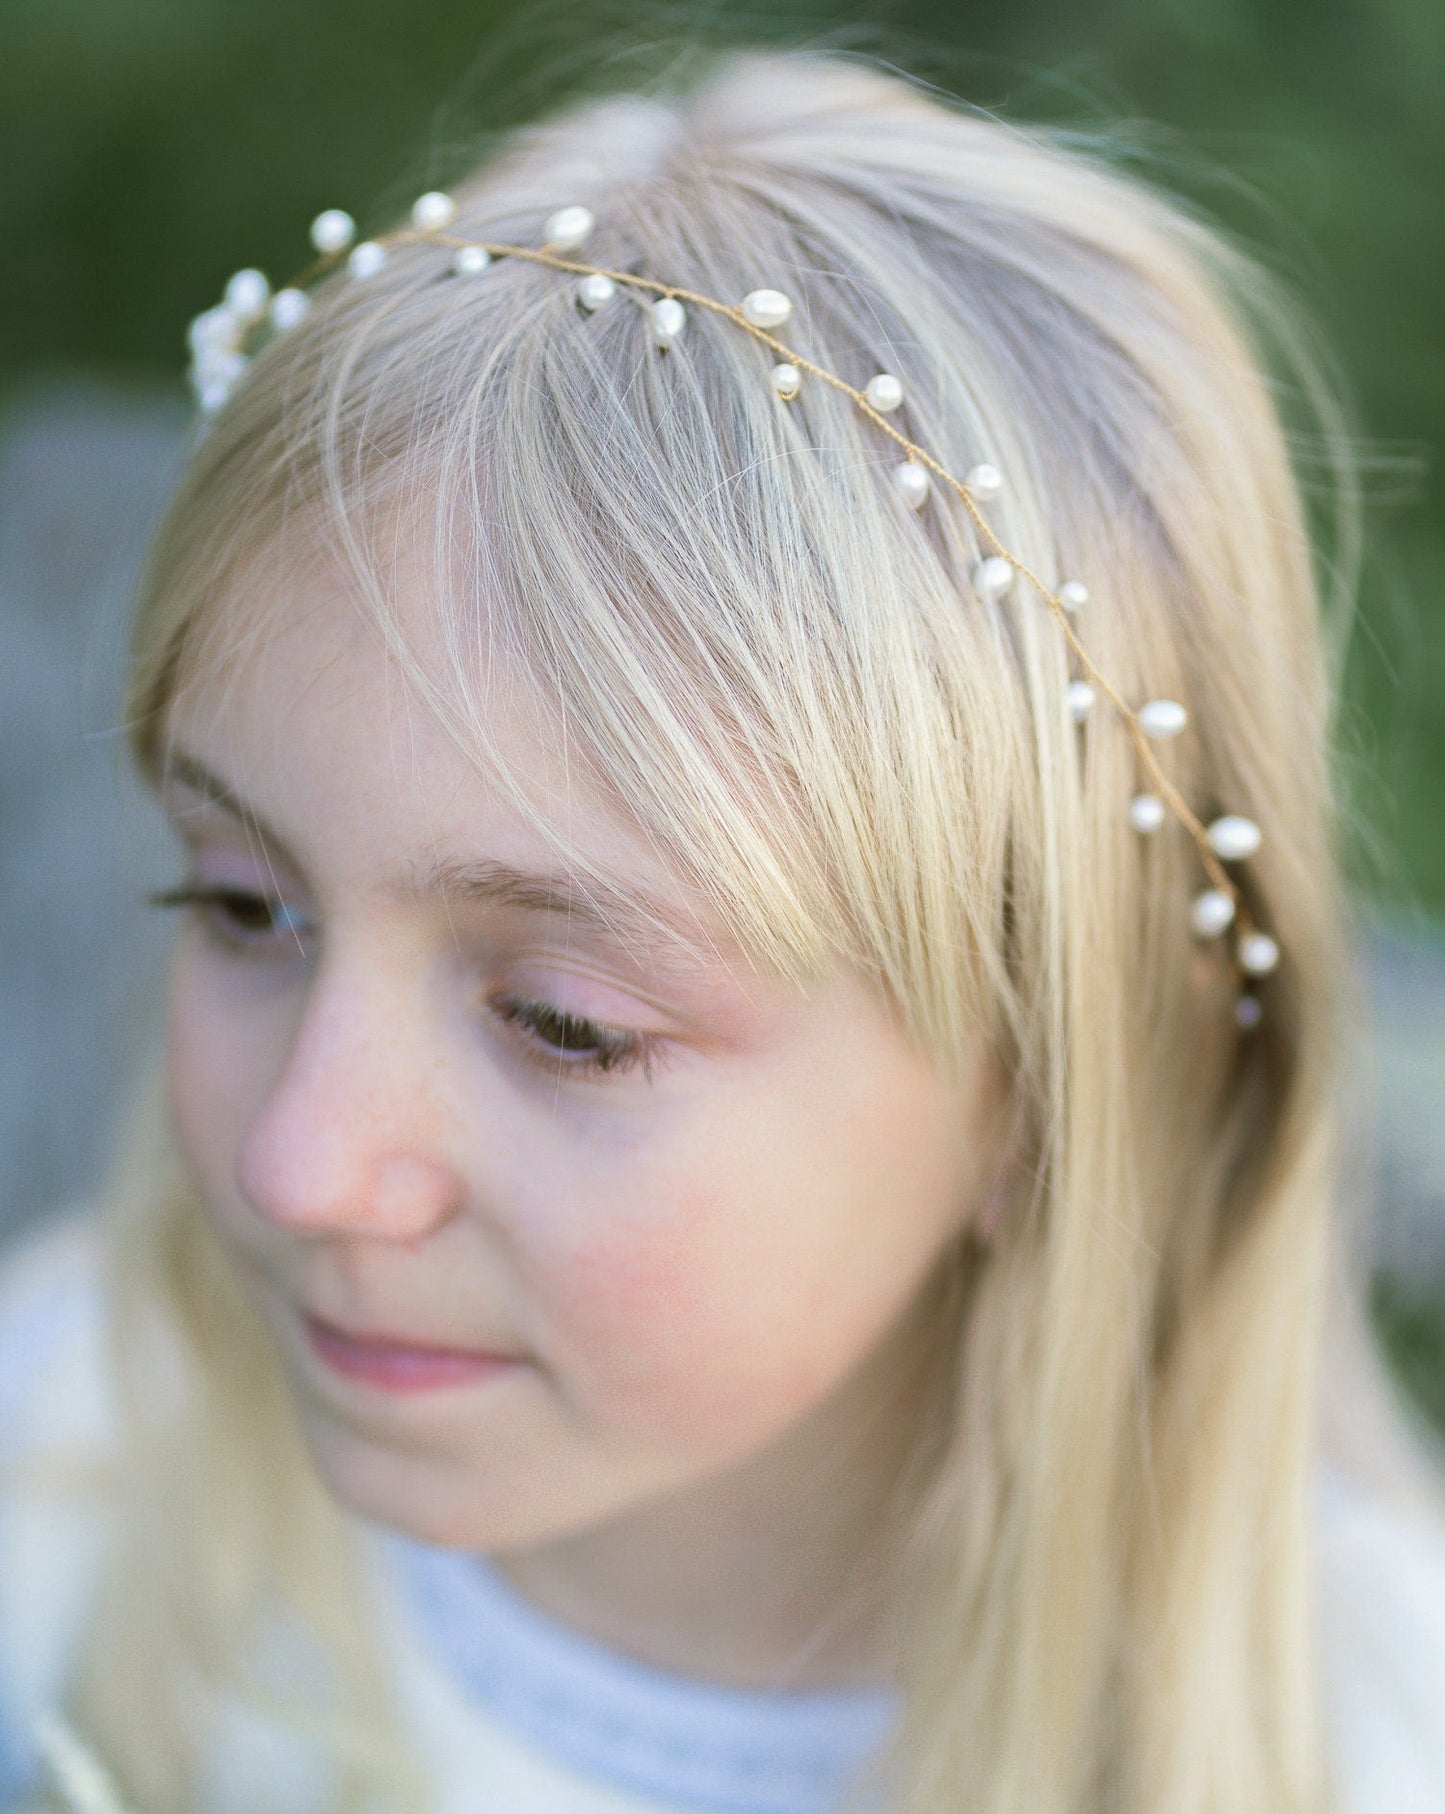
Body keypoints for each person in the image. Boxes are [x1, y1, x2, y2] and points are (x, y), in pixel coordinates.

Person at [1, 41, 1443, 1814]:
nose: (304, 1162)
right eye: (242, 903)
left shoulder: (1353, 1747)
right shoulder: (61, 1502)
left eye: (565, 1021)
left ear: (1057, 1082)